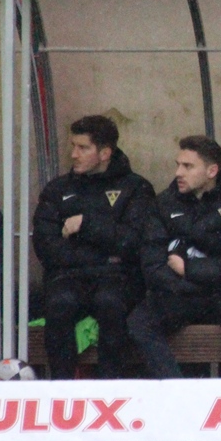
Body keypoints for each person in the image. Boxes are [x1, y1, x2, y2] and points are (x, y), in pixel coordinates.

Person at [33, 115, 154, 379]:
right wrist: (101, 253)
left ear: (105, 153)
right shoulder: (57, 189)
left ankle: (109, 387)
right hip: (68, 276)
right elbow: (45, 246)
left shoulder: (135, 188)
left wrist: (86, 225)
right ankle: (62, 387)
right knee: (59, 304)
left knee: (110, 303)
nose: (73, 154)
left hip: (117, 277)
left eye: (83, 148)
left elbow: (133, 241)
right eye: (73, 146)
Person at [128, 136, 221, 378]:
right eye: (178, 164)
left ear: (212, 171)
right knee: (139, 323)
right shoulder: (163, 203)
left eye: (188, 166)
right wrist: (190, 285)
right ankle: (177, 389)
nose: (178, 172)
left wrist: (189, 269)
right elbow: (153, 265)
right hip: (179, 292)